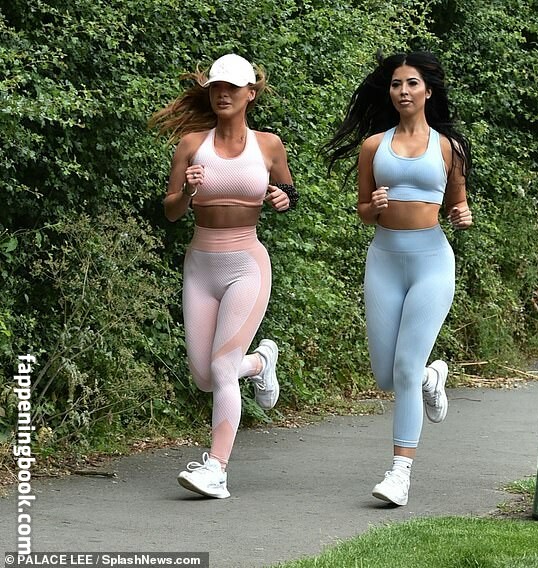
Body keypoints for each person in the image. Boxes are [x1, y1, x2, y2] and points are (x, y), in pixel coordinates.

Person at [325, 51, 472, 506]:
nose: (403, 91)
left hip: (432, 261)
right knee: (387, 376)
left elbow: (458, 203)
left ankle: (399, 473)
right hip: (384, 261)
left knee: (403, 369)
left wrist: (462, 214)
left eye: (411, 83)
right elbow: (363, 210)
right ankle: (431, 377)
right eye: (395, 84)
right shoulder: (374, 146)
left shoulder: (448, 148)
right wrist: (374, 207)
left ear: (428, 91)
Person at [149, 53, 299, 499]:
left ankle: (216, 469)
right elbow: (171, 212)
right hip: (201, 266)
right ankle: (260, 363)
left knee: (220, 367)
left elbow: (289, 191)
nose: (223, 94)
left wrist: (283, 199)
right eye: (217, 86)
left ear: (250, 93)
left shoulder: (268, 145)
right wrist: (188, 190)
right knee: (205, 376)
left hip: (246, 264)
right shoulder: (191, 144)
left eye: (232, 87)